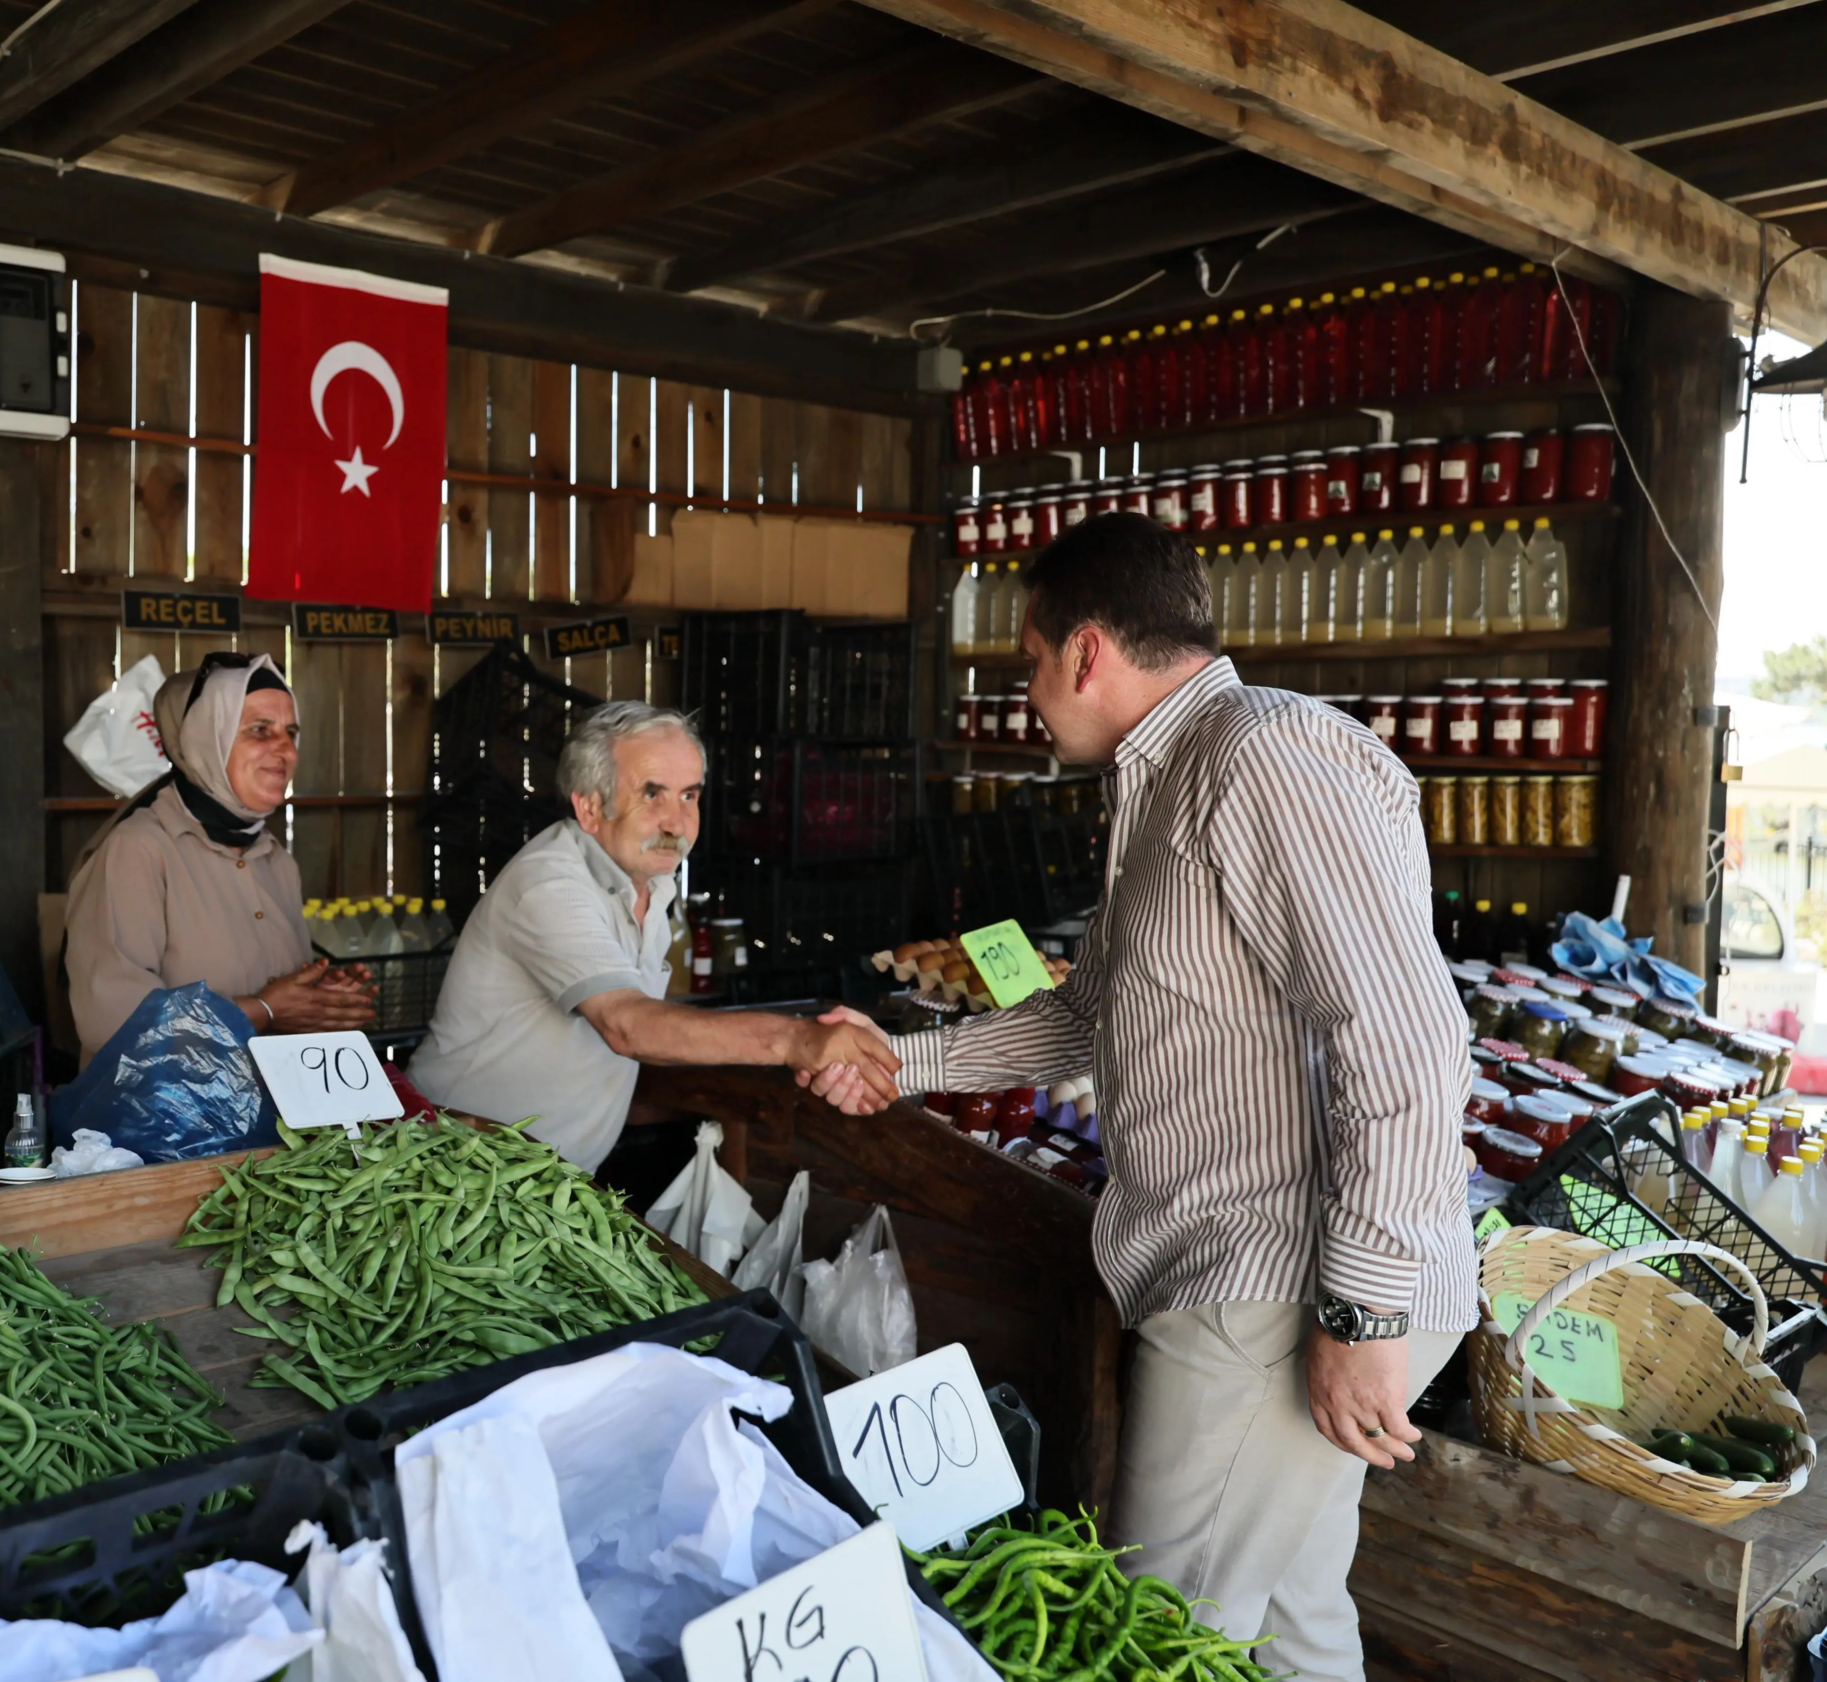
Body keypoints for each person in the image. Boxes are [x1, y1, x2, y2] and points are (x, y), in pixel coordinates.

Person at [809, 513, 1475, 1682]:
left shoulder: (1258, 756)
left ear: (1084, 651)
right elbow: (1088, 1014)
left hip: (1272, 1288)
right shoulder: (1166, 780)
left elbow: (1406, 1037)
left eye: (1025, 656)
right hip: (1249, 1278)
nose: (1024, 690)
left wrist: (1363, 1314)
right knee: (1285, 1621)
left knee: (1155, 1630)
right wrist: (901, 1063)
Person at [408, 700, 901, 1172]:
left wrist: (812, 1056)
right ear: (589, 808)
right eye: (652, 793)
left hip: (541, 1183)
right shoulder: (550, 885)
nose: (677, 820)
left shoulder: (651, 884)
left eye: (690, 794)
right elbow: (628, 1026)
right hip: (453, 1170)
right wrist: (798, 1040)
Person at [64, 652, 375, 1057]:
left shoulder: (275, 860)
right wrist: (263, 1010)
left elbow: (280, 1000)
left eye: (291, 732)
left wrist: (320, 999)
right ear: (205, 738)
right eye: (260, 730)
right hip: (167, 1115)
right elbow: (113, 1023)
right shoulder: (139, 849)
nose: (286, 751)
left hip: (271, 1112)